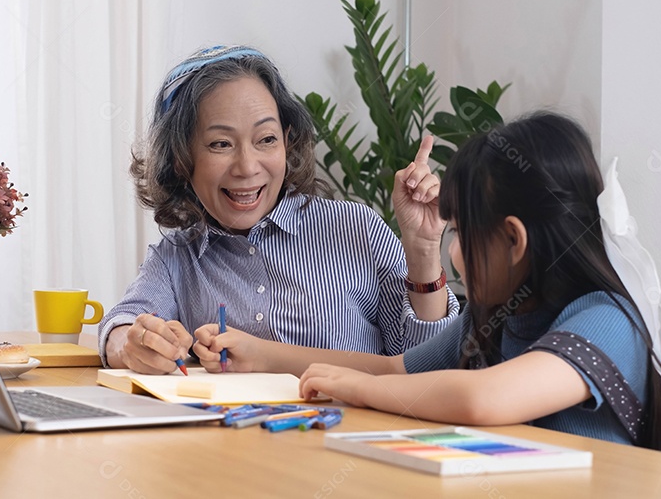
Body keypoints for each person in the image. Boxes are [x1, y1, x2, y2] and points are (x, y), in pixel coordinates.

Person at [194, 111, 661, 450]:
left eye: (463, 234)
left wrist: (358, 391)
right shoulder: (496, 316)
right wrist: (264, 353)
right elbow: (393, 371)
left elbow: (483, 397)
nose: (453, 254)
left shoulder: (608, 320)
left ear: (513, 240)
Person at [99, 45, 460, 374]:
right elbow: (122, 323)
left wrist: (424, 250)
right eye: (221, 143)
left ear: (287, 142)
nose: (246, 166)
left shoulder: (356, 228)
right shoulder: (176, 259)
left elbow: (428, 367)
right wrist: (133, 344)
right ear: (181, 159)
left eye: (266, 140)